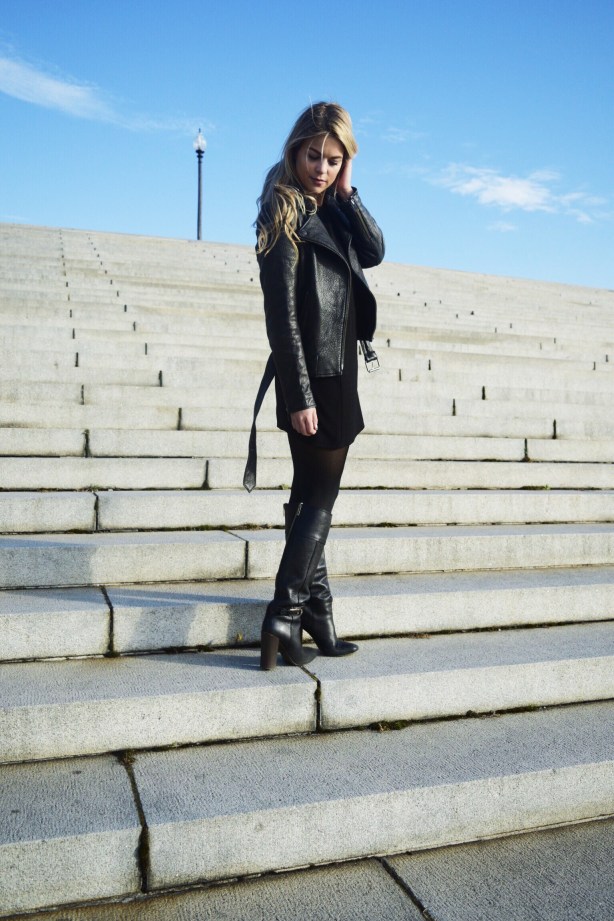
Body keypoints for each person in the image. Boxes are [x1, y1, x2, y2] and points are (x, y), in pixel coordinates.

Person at [244, 101, 385, 670]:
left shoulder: (333, 209)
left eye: (333, 159)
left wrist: (349, 193)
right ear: (294, 150)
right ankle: (284, 612)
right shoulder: (281, 214)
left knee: (308, 498)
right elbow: (281, 317)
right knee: (321, 498)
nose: (322, 169)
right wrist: (299, 394)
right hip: (315, 377)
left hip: (339, 369)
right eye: (314, 156)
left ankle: (319, 617)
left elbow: (375, 251)